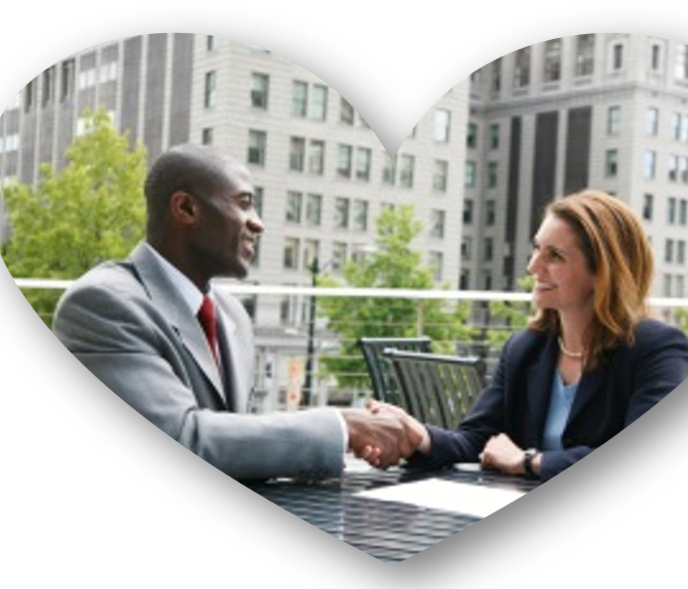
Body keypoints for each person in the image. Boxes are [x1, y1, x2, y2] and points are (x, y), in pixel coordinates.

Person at [52, 144, 417, 481]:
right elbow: (178, 440)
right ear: (186, 209)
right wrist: (339, 426)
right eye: (243, 204)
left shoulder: (232, 315)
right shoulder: (102, 305)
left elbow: (237, 437)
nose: (258, 223)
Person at [368, 191, 688, 482]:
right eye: (537, 250)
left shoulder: (655, 348)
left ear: (602, 272)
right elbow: (478, 438)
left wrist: (530, 461)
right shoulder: (526, 347)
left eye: (555, 256)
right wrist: (417, 436)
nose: (533, 267)